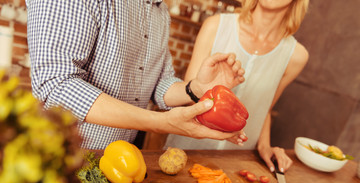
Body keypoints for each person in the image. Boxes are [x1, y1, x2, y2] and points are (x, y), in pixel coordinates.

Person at [25, 0, 247, 150]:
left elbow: (159, 83)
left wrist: (196, 88)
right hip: (64, 156)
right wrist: (160, 122)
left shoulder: (159, 10)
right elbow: (55, 83)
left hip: (119, 158)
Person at [165, 0, 309, 173]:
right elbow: (189, 97)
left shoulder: (296, 56)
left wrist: (265, 145)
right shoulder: (216, 26)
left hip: (237, 164)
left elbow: (265, 108)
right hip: (185, 152)